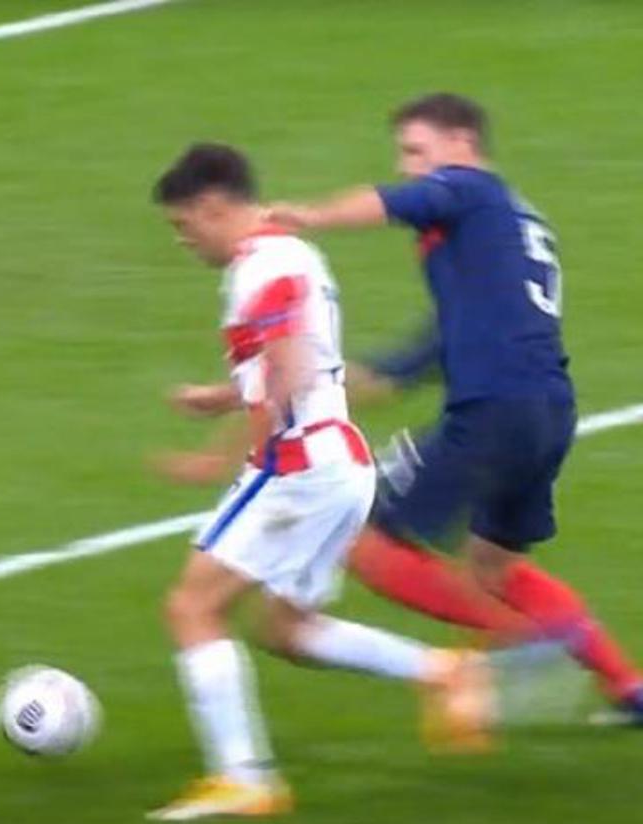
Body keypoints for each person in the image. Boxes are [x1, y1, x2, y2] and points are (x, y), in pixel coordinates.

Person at [266, 92, 643, 724]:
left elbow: (395, 202)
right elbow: (441, 341)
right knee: (495, 567)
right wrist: (361, 380)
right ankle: (628, 688)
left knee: (362, 539)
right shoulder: (512, 221)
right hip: (547, 412)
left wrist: (309, 215)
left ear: (462, 144)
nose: (408, 167)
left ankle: (520, 643)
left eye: (416, 151)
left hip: (493, 411)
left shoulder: (467, 189)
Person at [146, 143, 490, 822]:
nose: (184, 241)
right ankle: (443, 671)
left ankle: (244, 779)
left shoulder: (260, 267)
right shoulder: (292, 255)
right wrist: (222, 396)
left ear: (212, 206)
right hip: (339, 462)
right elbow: (301, 361)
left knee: (191, 607)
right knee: (287, 629)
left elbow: (286, 375)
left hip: (296, 467)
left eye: (184, 225)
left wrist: (220, 456)